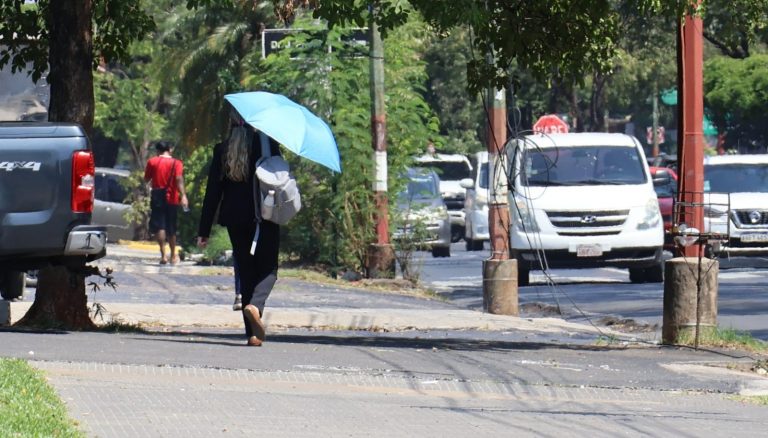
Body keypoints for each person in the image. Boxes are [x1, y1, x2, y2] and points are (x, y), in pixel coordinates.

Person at [197, 119, 280, 347]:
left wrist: (204, 229)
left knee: (246, 270)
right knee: (269, 267)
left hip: (234, 218)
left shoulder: (222, 149)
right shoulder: (267, 145)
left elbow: (213, 192)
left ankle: (251, 333)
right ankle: (257, 306)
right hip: (264, 215)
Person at [144, 141, 189, 265]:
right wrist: (183, 196)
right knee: (171, 227)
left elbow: (147, 179)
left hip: (157, 197)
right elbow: (179, 179)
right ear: (170, 149)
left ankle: (163, 255)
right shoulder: (177, 163)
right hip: (172, 198)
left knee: (160, 226)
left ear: (157, 150)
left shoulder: (152, 162)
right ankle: (173, 255)